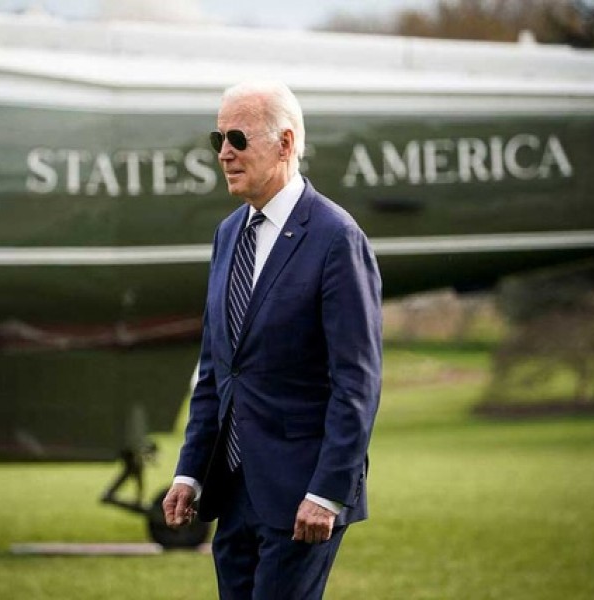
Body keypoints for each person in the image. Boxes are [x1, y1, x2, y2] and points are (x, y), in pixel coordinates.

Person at [162, 80, 382, 599]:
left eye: (238, 138)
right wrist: (190, 473)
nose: (225, 153)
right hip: (233, 494)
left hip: (303, 496)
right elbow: (217, 370)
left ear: (285, 144)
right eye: (218, 139)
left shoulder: (336, 238)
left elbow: (357, 382)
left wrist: (328, 493)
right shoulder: (228, 234)